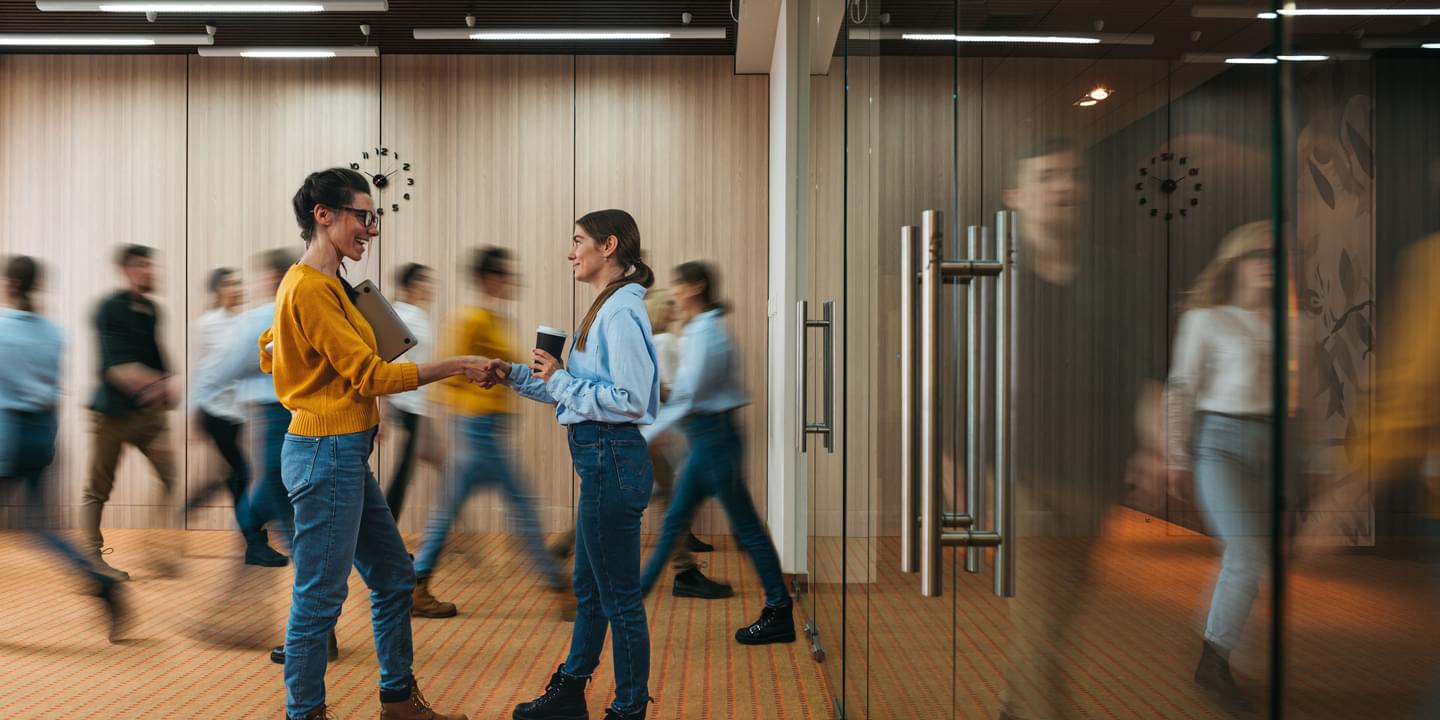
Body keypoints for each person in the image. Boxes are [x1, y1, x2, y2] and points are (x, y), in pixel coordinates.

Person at [263, 167, 488, 720]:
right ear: (324, 215)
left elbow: (270, 348)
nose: (372, 229)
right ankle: (305, 711)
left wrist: (336, 396)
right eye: (364, 217)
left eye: (374, 218)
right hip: (326, 454)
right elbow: (368, 375)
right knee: (319, 598)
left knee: (392, 578)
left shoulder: (323, 282)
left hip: (339, 449)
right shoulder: (311, 288)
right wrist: (455, 366)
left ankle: (399, 702)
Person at [498, 209, 660, 720]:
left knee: (619, 598)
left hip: (612, 457)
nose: (571, 252)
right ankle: (570, 690)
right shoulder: (605, 306)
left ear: (608, 246)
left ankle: (629, 707)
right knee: (590, 590)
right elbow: (577, 394)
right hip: (600, 458)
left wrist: (561, 376)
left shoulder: (619, 313)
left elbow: (630, 399)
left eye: (578, 242)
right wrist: (517, 376)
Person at [638, 262, 794, 644]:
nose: (672, 291)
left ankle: (779, 610)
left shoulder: (708, 332)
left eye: (677, 283)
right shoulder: (698, 331)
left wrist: (646, 433)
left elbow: (689, 396)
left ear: (696, 287)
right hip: (707, 439)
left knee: (744, 530)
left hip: (714, 440)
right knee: (675, 524)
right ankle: (629, 600)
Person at [410, 247, 571, 619]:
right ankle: (559, 588)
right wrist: (441, 431)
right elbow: (446, 376)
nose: (510, 281)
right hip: (476, 432)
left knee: (447, 511)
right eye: (503, 274)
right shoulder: (468, 319)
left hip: (486, 431)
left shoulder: (495, 319)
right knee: (524, 509)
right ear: (488, 278)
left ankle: (416, 585)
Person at [1154, 221, 1274, 715]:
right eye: (1259, 254)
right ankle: (1214, 660)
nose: (1270, 262)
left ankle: (1216, 639)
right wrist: (1176, 456)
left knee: (1250, 560)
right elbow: (1181, 387)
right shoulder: (1207, 319)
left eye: (1278, 255)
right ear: (1235, 263)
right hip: (1219, 445)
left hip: (1271, 449)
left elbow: (1300, 400)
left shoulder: (1293, 324)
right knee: (1246, 555)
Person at [545, 287, 723, 598]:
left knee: (611, 504)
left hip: (645, 434)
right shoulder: (660, 341)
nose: (673, 309)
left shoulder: (645, 337)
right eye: (667, 305)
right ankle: (684, 571)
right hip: (652, 435)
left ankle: (565, 546)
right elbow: (652, 394)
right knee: (662, 504)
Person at [0, 255, 129, 641]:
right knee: (39, 526)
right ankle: (100, 582)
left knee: (35, 526)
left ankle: (101, 583)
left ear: (9, 283)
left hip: (7, 435)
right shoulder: (53, 333)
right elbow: (52, 391)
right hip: (40, 435)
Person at [81, 244, 181, 582]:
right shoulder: (109, 308)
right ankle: (92, 558)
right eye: (142, 266)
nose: (149, 272)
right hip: (112, 414)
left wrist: (166, 387)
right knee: (98, 488)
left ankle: (155, 548)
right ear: (125, 270)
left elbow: (157, 361)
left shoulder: (152, 310)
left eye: (151, 266)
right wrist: (161, 383)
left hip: (147, 416)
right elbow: (117, 369)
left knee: (169, 476)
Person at [189, 266, 286, 565]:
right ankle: (254, 542)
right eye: (230, 284)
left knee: (242, 474)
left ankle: (252, 538)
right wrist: (193, 409)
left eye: (238, 283)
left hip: (239, 412)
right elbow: (209, 369)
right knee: (246, 475)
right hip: (216, 410)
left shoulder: (243, 320)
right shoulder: (210, 324)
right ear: (218, 290)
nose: (237, 289)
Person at [385, 262, 437, 520]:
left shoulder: (418, 316)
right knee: (403, 472)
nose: (429, 287)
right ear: (410, 286)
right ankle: (386, 533)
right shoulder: (402, 316)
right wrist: (383, 412)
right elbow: (386, 361)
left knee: (415, 468)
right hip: (405, 403)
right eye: (424, 281)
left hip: (417, 404)